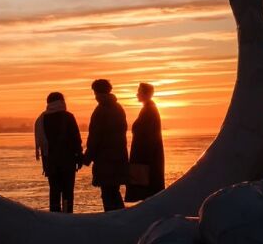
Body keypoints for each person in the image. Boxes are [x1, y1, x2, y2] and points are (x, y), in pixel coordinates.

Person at [83, 79, 129, 211]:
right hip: (119, 157)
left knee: (108, 193)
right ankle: (120, 219)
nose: (95, 96)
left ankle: (114, 222)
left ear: (99, 92)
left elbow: (95, 137)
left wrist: (86, 158)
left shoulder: (101, 110)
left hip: (105, 160)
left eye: (95, 93)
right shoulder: (118, 108)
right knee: (114, 192)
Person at [34, 92, 83, 213]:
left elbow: (42, 144)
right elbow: (76, 139)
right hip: (68, 161)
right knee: (67, 191)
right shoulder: (68, 117)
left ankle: (54, 217)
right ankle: (67, 216)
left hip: (50, 162)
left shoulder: (42, 119)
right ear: (62, 102)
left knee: (54, 191)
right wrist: (80, 157)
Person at [125, 82, 165, 202]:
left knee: (146, 190)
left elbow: (148, 137)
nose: (137, 94)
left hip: (146, 160)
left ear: (146, 94)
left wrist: (143, 159)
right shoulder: (148, 109)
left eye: (139, 91)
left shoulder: (149, 111)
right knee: (146, 190)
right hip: (145, 159)